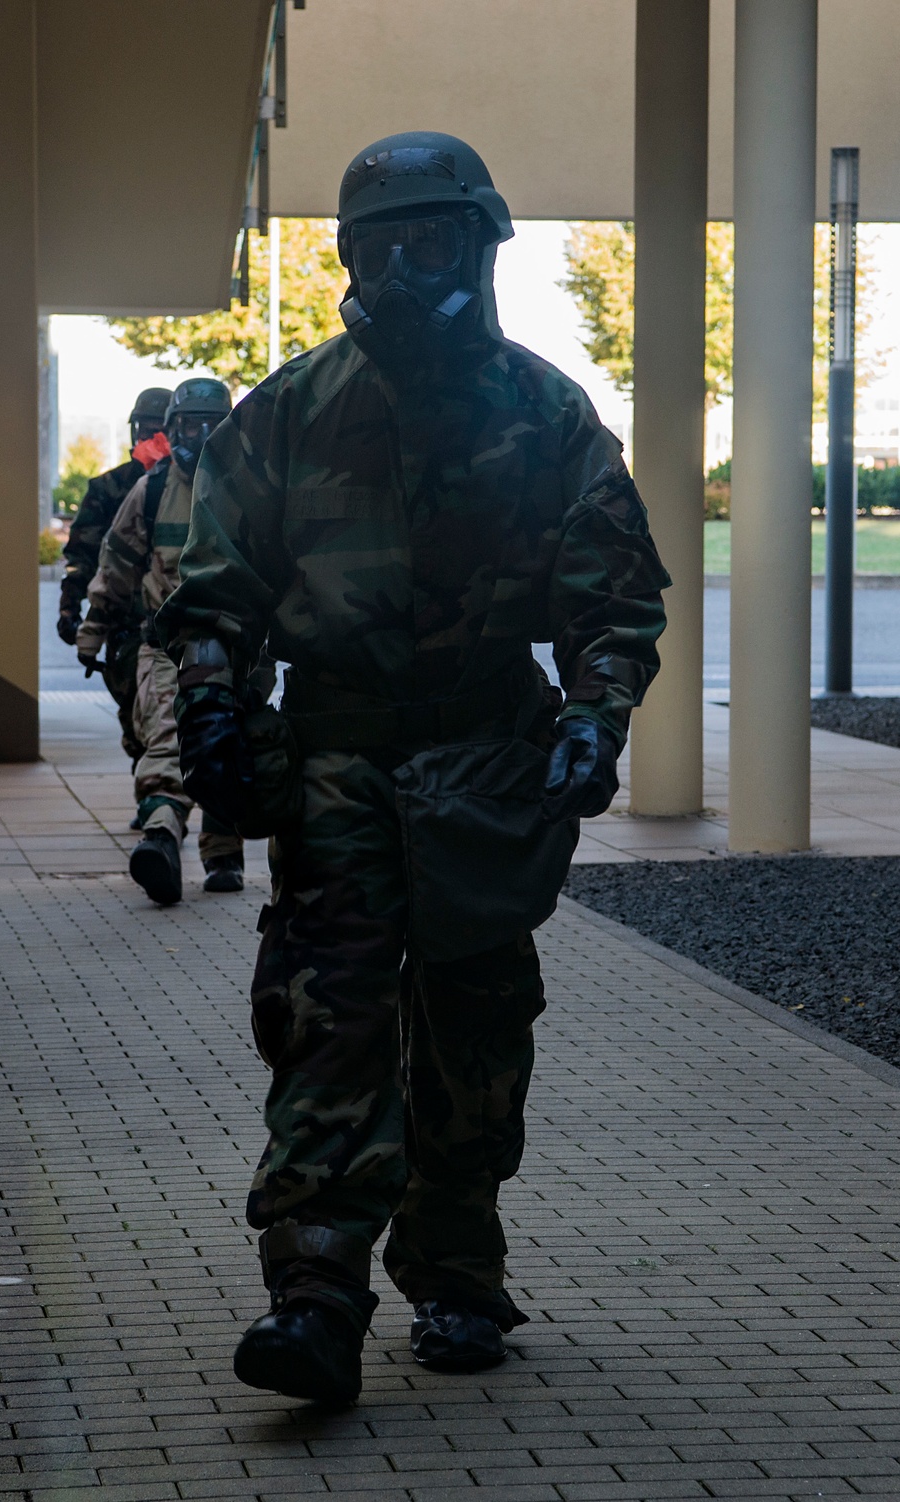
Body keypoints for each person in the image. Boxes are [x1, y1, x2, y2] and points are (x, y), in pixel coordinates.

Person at [156, 131, 670, 1406]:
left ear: (482, 246)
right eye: (375, 245)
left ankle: (454, 1268)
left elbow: (614, 593)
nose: (398, 268)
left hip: (487, 764)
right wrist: (217, 714)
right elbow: (214, 594)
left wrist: (596, 717)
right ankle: (317, 1288)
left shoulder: (544, 411)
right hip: (337, 755)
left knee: (473, 1027)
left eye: (426, 242)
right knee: (328, 1014)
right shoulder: (287, 410)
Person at [76, 378, 247, 903]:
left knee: (229, 745)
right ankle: (162, 837)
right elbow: (117, 563)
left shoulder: (251, 486)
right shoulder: (151, 490)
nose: (198, 436)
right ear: (170, 430)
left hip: (236, 647)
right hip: (166, 646)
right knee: (167, 738)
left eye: (210, 424)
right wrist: (92, 632)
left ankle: (223, 856)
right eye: (187, 425)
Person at [57, 387, 172, 769]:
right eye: (141, 428)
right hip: (126, 623)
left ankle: (164, 796)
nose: (147, 438)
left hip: (174, 619)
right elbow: (82, 556)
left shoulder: (196, 484)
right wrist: (70, 607)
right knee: (136, 716)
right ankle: (152, 793)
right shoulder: (108, 488)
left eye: (156, 429)